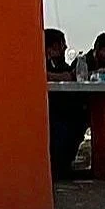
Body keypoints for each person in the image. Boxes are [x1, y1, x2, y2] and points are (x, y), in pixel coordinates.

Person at [44, 28, 89, 177]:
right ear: (53, 46)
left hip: (64, 107)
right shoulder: (41, 61)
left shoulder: (59, 63)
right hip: (52, 109)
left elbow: (70, 74)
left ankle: (64, 164)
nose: (65, 47)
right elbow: (44, 75)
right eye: (62, 43)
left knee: (81, 117)